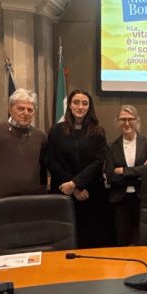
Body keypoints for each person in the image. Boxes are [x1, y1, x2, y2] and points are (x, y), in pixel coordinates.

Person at [46, 89, 111, 248]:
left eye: (84, 103)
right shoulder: (56, 130)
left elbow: (98, 162)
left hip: (91, 193)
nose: (80, 107)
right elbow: (51, 161)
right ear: (69, 105)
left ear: (89, 107)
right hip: (63, 191)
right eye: (76, 102)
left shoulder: (98, 132)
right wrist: (72, 187)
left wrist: (76, 183)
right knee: (65, 238)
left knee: (91, 239)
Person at [0, 88, 46, 216]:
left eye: (30, 110)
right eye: (21, 108)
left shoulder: (40, 136)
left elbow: (42, 170)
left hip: (31, 203)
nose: (26, 113)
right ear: (10, 109)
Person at [105, 105, 147, 246]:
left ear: (137, 120)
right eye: (123, 119)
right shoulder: (111, 147)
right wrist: (139, 171)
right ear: (117, 122)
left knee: (144, 238)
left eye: (130, 119)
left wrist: (123, 171)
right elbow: (110, 176)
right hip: (119, 199)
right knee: (121, 239)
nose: (127, 123)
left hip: (142, 197)